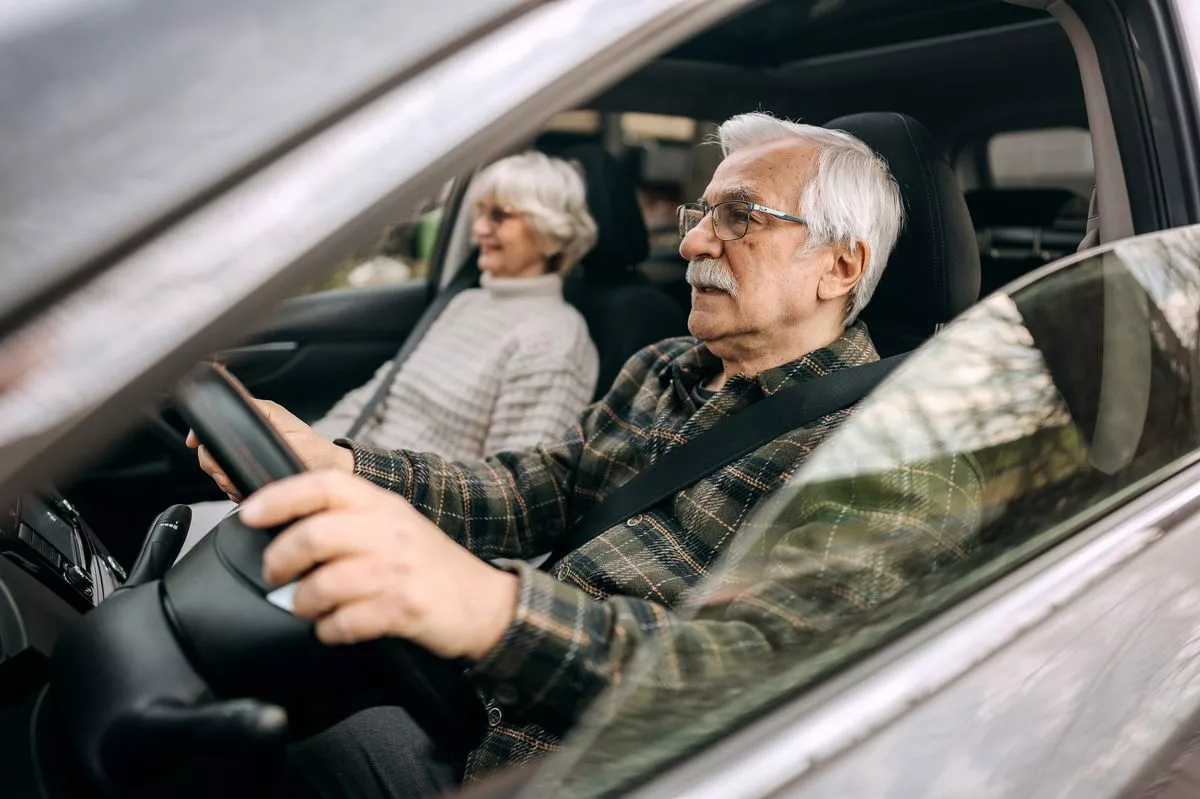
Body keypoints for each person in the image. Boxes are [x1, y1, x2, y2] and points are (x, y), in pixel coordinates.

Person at [192, 111, 907, 796]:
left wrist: (493, 608)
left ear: (840, 266)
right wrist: (344, 466)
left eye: (740, 217)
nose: (691, 243)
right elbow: (539, 485)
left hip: (578, 767)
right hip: (480, 702)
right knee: (234, 719)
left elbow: (753, 675)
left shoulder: (882, 452)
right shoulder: (663, 366)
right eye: (702, 213)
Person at [184, 151, 600, 548]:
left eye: (500, 215)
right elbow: (379, 394)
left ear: (551, 235)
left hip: (404, 525)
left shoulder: (556, 338)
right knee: (180, 522)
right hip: (349, 481)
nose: (479, 229)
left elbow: (509, 500)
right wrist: (300, 458)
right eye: (479, 212)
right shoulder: (467, 302)